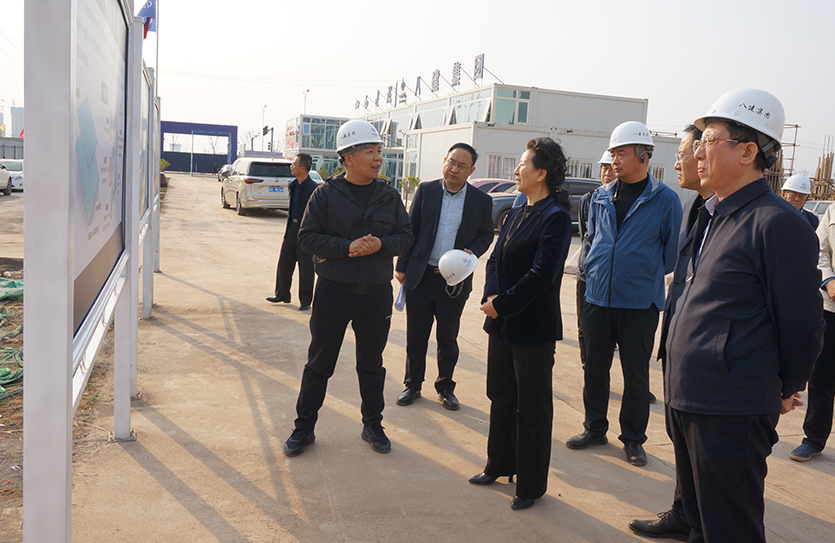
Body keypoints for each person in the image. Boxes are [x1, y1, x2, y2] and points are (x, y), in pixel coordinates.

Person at [665, 88, 823, 542]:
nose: (697, 151)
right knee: (700, 525)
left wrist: (784, 387)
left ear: (748, 152)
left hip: (729, 406)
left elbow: (802, 325)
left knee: (730, 529)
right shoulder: (713, 214)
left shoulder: (777, 223)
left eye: (708, 141)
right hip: (690, 395)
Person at [283, 120, 413, 457]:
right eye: (370, 151)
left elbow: (405, 236)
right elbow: (307, 237)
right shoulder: (325, 195)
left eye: (379, 151)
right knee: (319, 363)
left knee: (372, 364)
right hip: (334, 292)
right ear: (348, 157)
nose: (378, 158)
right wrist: (347, 246)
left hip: (375, 293)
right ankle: (303, 428)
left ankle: (373, 425)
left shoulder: (388, 195)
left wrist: (381, 244)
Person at [567, 121, 682, 466]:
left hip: (639, 302)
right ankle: (594, 427)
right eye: (612, 153)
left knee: (636, 375)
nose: (614, 160)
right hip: (597, 297)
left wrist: (639, 274)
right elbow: (590, 241)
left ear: (644, 155)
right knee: (594, 368)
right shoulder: (600, 197)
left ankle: (633, 438)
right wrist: (597, 273)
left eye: (622, 153)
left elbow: (671, 254)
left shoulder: (665, 200)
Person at [469, 137, 572, 510]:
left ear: (540, 173)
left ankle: (530, 485)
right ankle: (499, 464)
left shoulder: (555, 217)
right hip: (502, 323)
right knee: (500, 396)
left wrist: (503, 304)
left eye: (522, 164)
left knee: (531, 407)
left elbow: (542, 275)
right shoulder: (515, 212)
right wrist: (492, 296)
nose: (516, 170)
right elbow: (494, 261)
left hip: (532, 328)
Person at [629, 124, 713, 540]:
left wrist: (788, 380)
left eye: (683, 154)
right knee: (679, 440)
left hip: (715, 363)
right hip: (679, 348)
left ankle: (702, 526)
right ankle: (684, 513)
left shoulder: (763, 220)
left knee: (709, 458)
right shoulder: (695, 206)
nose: (679, 163)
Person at [394, 143, 494, 410]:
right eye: (451, 162)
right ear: (444, 161)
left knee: (448, 337)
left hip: (454, 281)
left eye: (462, 165)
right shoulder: (426, 190)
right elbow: (410, 229)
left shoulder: (481, 200)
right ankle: (412, 385)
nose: (454, 169)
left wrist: (473, 251)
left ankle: (445, 387)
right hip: (422, 275)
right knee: (416, 335)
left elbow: (486, 234)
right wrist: (402, 265)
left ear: (471, 170)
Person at [789, 201, 835, 462]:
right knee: (822, 378)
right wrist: (829, 280)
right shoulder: (833, 211)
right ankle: (814, 439)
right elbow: (820, 250)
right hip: (831, 306)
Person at [575, 150, 616, 366]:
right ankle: (587, 364)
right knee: (584, 325)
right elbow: (586, 236)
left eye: (611, 168)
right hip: (586, 275)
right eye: (604, 168)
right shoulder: (588, 200)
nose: (607, 173)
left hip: (612, 278)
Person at [267, 153, 318, 310]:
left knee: (306, 267)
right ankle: (282, 294)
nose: (291, 167)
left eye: (294, 165)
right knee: (284, 263)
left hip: (306, 232)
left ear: (302, 168)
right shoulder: (293, 185)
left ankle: (305, 300)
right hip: (291, 229)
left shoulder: (313, 189)